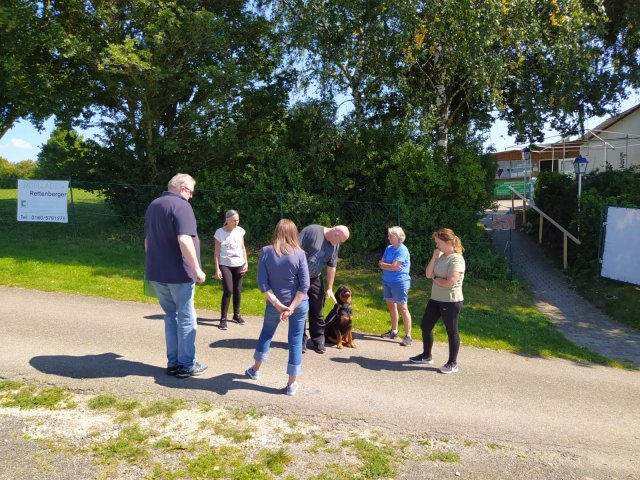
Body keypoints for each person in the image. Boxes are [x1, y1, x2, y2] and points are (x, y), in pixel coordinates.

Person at [144, 173, 207, 378]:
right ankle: (186, 364)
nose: (191, 196)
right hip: (179, 273)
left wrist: (153, 263)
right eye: (190, 192)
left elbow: (148, 241)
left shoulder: (154, 205)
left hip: (157, 272)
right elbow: (184, 240)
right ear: (181, 188)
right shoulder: (181, 206)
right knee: (186, 317)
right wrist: (197, 269)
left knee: (171, 317)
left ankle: (173, 363)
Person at [246, 219, 310, 395]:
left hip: (274, 304)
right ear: (294, 233)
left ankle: (255, 370)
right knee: (295, 340)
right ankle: (291, 384)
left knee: (266, 334)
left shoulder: (266, 251)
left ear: (277, 231)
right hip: (299, 304)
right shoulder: (300, 254)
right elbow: (305, 285)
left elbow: (263, 283)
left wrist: (278, 304)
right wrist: (291, 307)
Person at [410, 228, 465, 374]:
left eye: (438, 243)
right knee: (425, 326)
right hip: (435, 298)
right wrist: (434, 257)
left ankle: (452, 363)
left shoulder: (456, 259)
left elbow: (450, 282)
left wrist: (435, 277)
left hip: (451, 301)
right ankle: (426, 356)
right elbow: (428, 274)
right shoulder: (440, 256)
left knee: (451, 331)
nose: (437, 246)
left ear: (448, 242)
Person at [298, 224, 350, 354]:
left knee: (317, 309)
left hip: (315, 277)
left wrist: (330, 288)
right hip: (299, 277)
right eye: (340, 241)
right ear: (336, 233)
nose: (340, 244)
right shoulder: (312, 231)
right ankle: (300, 341)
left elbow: (332, 266)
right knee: (300, 309)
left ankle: (317, 340)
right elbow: (294, 249)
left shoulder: (335, 245)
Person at [214, 209, 248, 330]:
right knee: (228, 290)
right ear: (227, 220)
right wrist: (217, 269)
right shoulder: (219, 233)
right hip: (225, 265)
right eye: (234, 220)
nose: (236, 222)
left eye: (237, 220)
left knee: (237, 290)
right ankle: (223, 319)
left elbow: (243, 248)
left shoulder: (240, 231)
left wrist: (246, 262)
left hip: (239, 264)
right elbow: (216, 253)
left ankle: (236, 315)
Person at [379, 226, 413, 346]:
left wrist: (385, 265)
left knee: (402, 307)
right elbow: (382, 263)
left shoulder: (402, 250)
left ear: (399, 238)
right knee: (391, 305)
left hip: (399, 282)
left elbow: (395, 267)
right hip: (387, 281)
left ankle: (408, 336)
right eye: (389, 236)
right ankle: (394, 331)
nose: (388, 238)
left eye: (391, 236)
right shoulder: (388, 248)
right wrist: (387, 265)